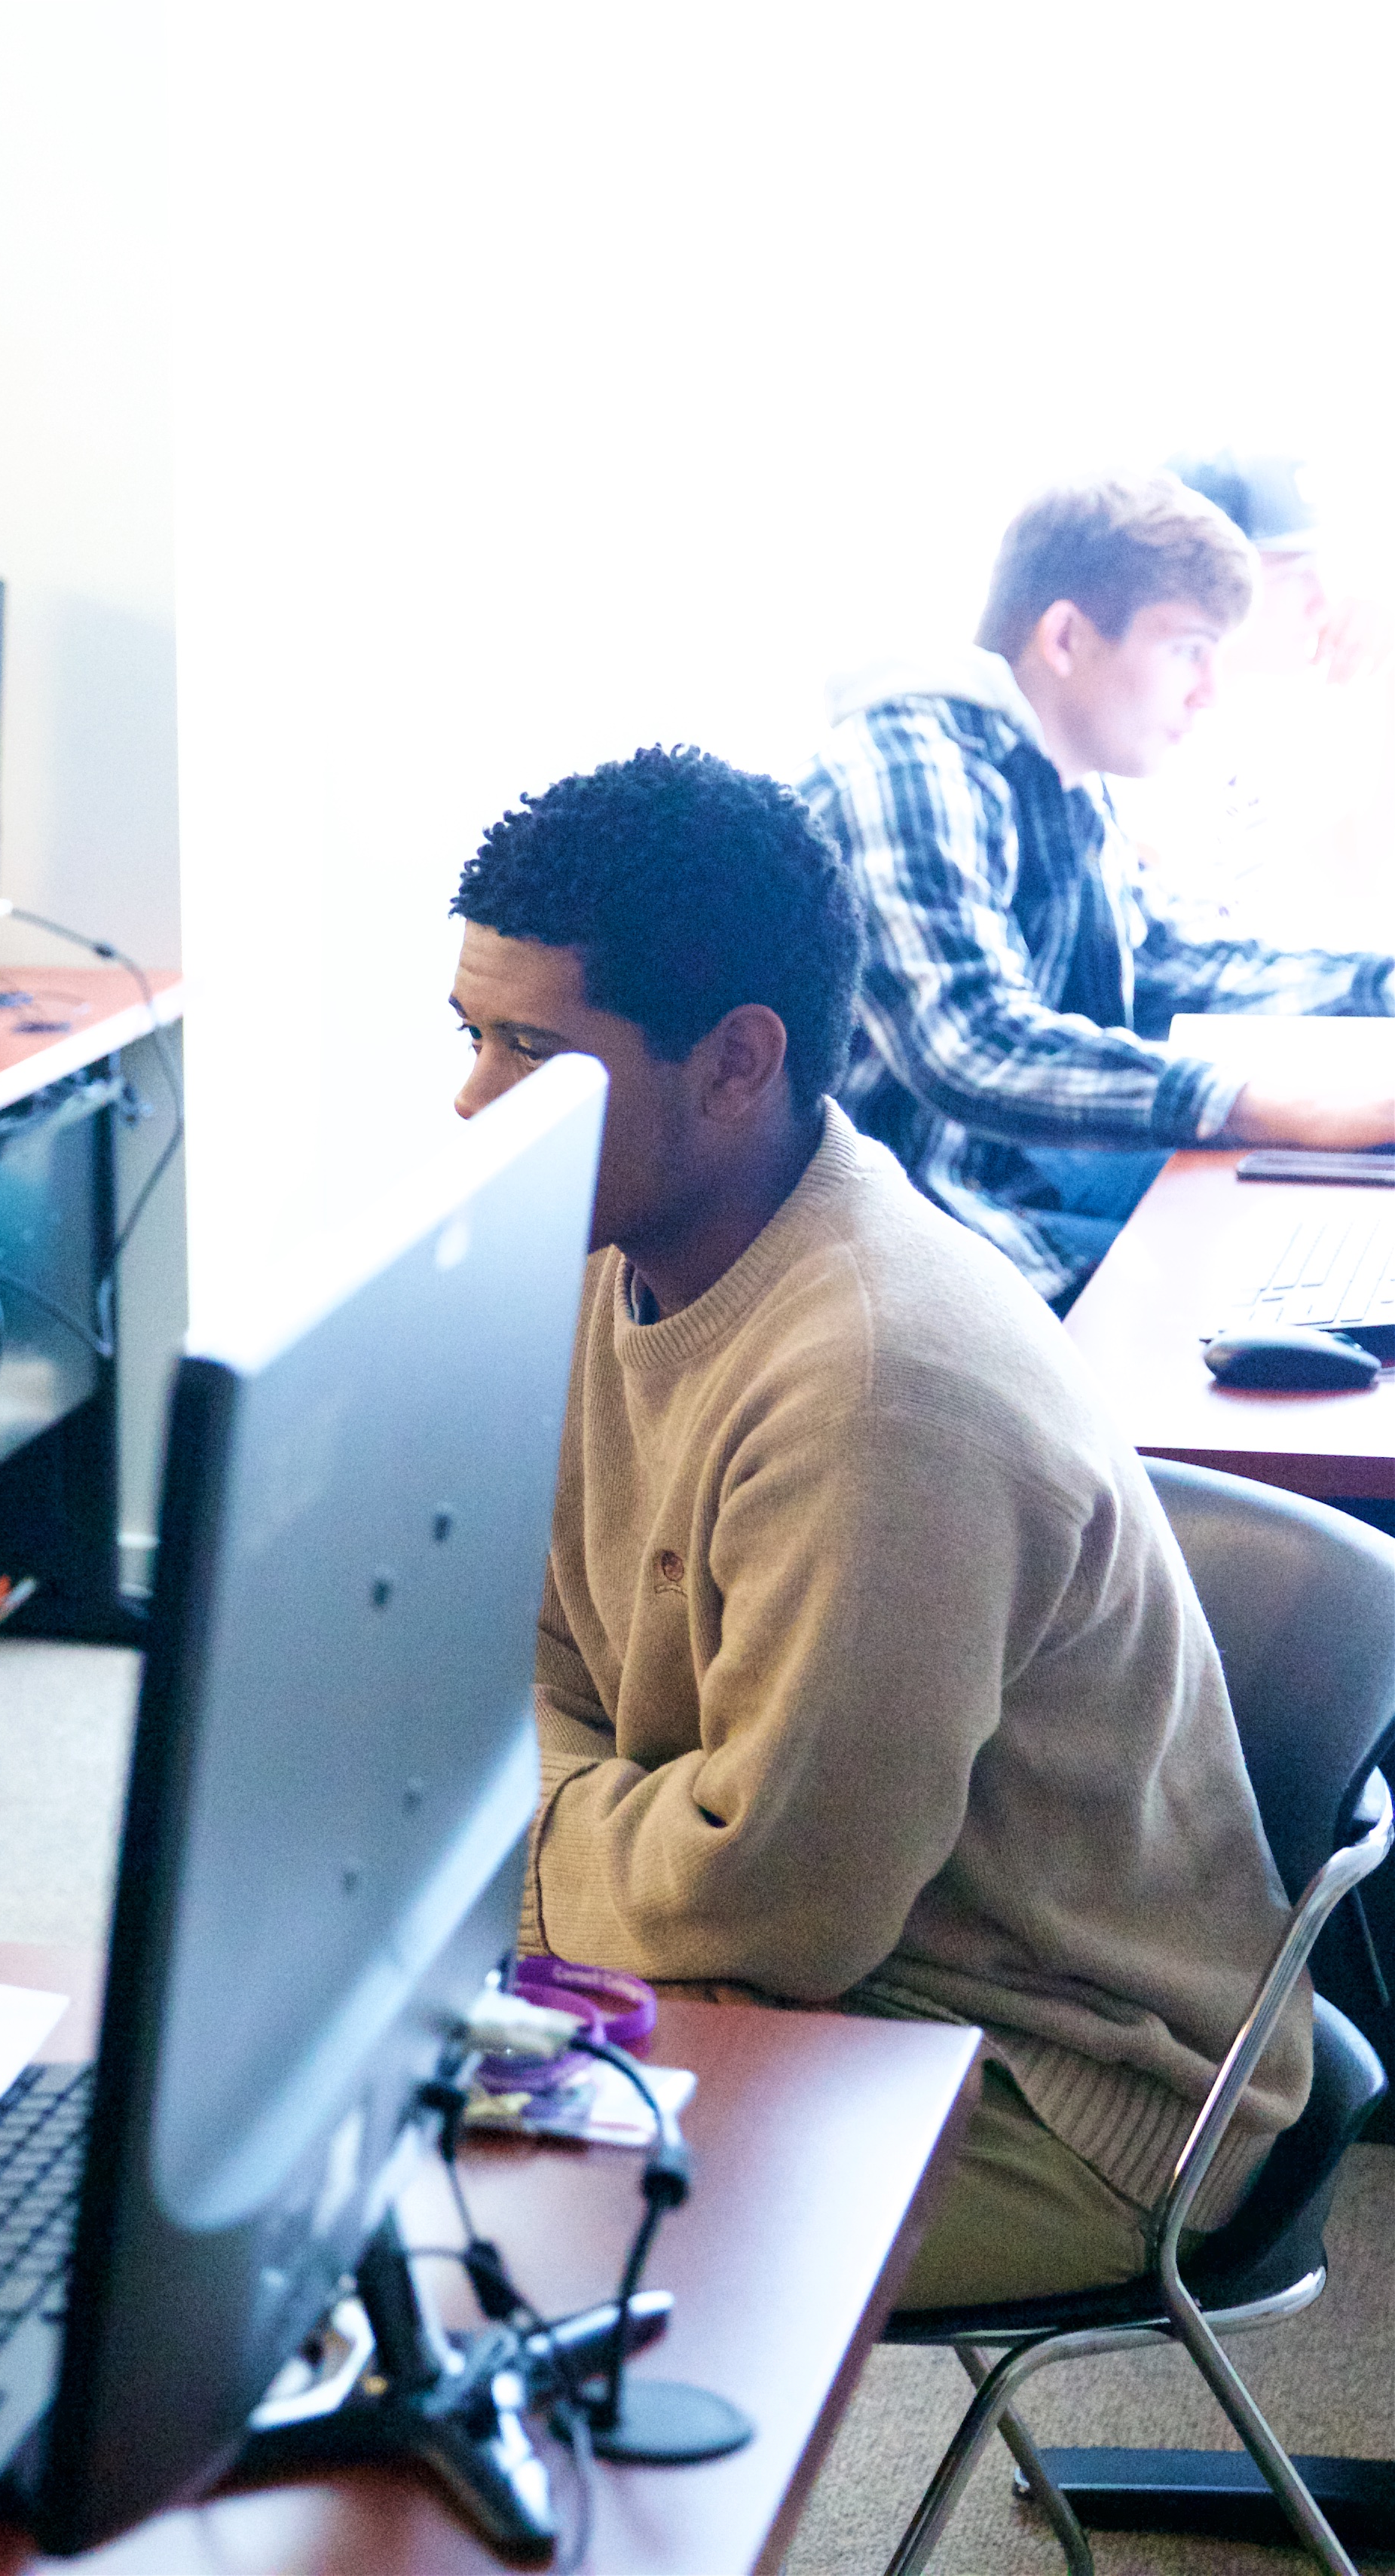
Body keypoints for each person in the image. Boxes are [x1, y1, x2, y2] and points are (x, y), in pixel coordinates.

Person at [448, 744, 1308, 2309]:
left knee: (452, 2225)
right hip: (835, 1966)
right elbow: (523, 1657)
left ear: (730, 1062)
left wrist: (491, 1843)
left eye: (526, 1049)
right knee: (319, 2097)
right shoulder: (611, 1242)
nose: (469, 1101)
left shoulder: (872, 1378)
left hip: (1057, 2083)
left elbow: (772, 1903)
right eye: (468, 1036)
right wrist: (607, 1835)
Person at [806, 470, 1395, 1308]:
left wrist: (1380, 985)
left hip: (1009, 1188)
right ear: (1064, 637)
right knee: (1272, 1301)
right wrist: (1265, 1103)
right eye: (1186, 648)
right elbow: (973, 1045)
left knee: (1327, 1254)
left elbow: (1158, 961)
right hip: (916, 1239)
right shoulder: (909, 766)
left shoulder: (1053, 774)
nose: (1207, 691)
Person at [1114, 451, 1395, 952]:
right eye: (1294, 576)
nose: (1324, 602)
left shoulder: (1260, 716)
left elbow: (1356, 879)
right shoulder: (1126, 750)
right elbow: (1165, 970)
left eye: (1322, 570)